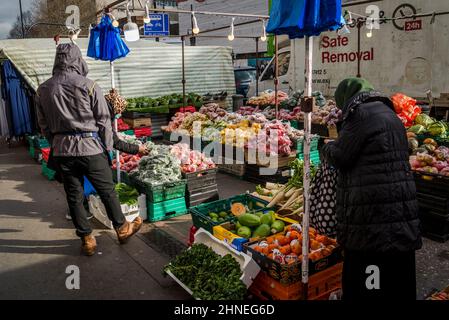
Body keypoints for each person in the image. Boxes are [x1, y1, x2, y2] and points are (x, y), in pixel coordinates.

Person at [36, 43, 142, 256]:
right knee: (107, 191)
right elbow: (104, 123)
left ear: (57, 60)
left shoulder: (43, 89)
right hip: (90, 148)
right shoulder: (90, 86)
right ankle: (121, 229)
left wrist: (57, 142)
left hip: (63, 151)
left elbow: (43, 125)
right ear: (77, 60)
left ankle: (87, 239)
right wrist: (107, 149)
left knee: (74, 196)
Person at [321, 77, 422, 300]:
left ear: (346, 99)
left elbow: (341, 156)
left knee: (369, 278)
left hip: (372, 216)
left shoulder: (360, 115)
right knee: (397, 277)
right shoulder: (389, 114)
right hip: (400, 211)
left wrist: (325, 148)